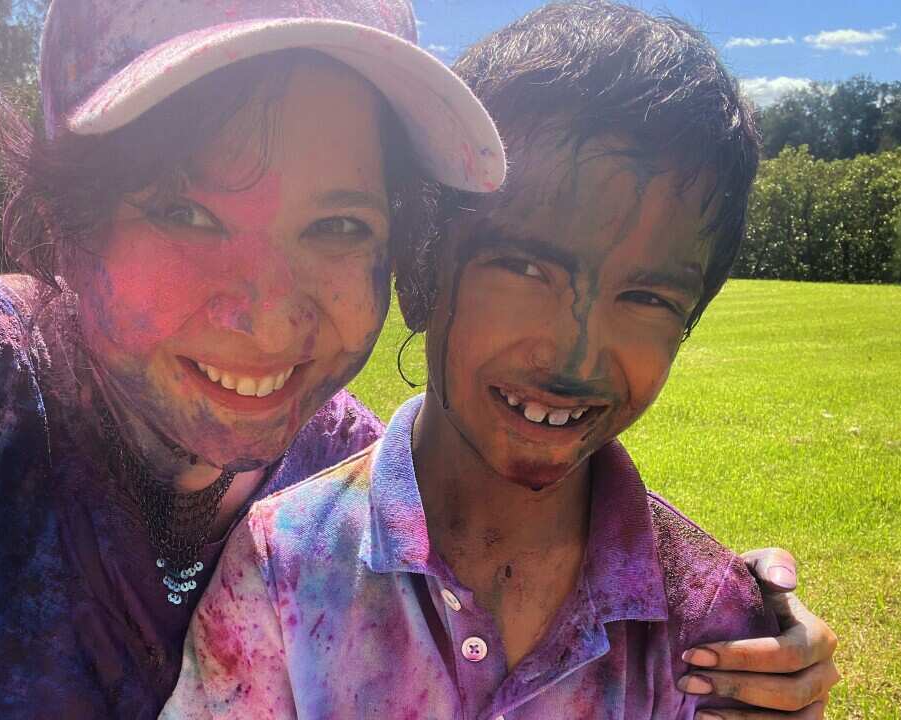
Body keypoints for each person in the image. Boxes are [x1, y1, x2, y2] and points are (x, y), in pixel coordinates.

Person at [0, 1, 833, 719]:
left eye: (338, 225)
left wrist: (735, 617)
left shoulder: (322, 466)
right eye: (187, 210)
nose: (264, 315)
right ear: (66, 217)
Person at [161, 3, 838, 719]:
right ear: (422, 272)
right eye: (522, 268)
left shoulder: (710, 624)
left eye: (644, 297)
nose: (572, 355)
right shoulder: (285, 566)